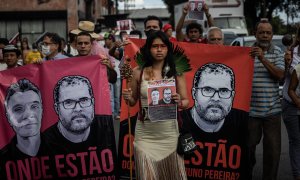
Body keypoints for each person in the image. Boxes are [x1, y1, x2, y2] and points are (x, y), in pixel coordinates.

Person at [122, 31, 189, 179]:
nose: (159, 50)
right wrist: (127, 97)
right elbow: (132, 101)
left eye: (163, 46)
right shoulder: (137, 72)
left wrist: (179, 101)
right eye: (155, 46)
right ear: (148, 49)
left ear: (168, 49)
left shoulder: (176, 72)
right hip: (145, 136)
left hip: (170, 136)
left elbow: (186, 101)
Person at [42, 75, 117, 178]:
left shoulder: (104, 125)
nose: (78, 109)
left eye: (84, 100)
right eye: (68, 102)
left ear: (93, 103)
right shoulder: (44, 143)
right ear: (57, 108)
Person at [248, 19, 285, 180]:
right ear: (255, 33)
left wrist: (262, 58)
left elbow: (280, 75)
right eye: (261, 32)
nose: (264, 35)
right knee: (247, 150)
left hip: (272, 111)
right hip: (250, 112)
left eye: (268, 33)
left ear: (272, 35)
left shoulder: (277, 52)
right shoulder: (246, 52)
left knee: (273, 152)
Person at [0, 79, 49, 179]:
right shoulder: (2, 161)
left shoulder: (62, 150)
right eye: (18, 109)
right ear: (8, 117)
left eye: (34, 106)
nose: (28, 115)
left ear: (42, 111)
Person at [285, 26, 300, 180]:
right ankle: (297, 175)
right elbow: (290, 75)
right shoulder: (291, 54)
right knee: (296, 141)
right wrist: (297, 101)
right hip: (291, 105)